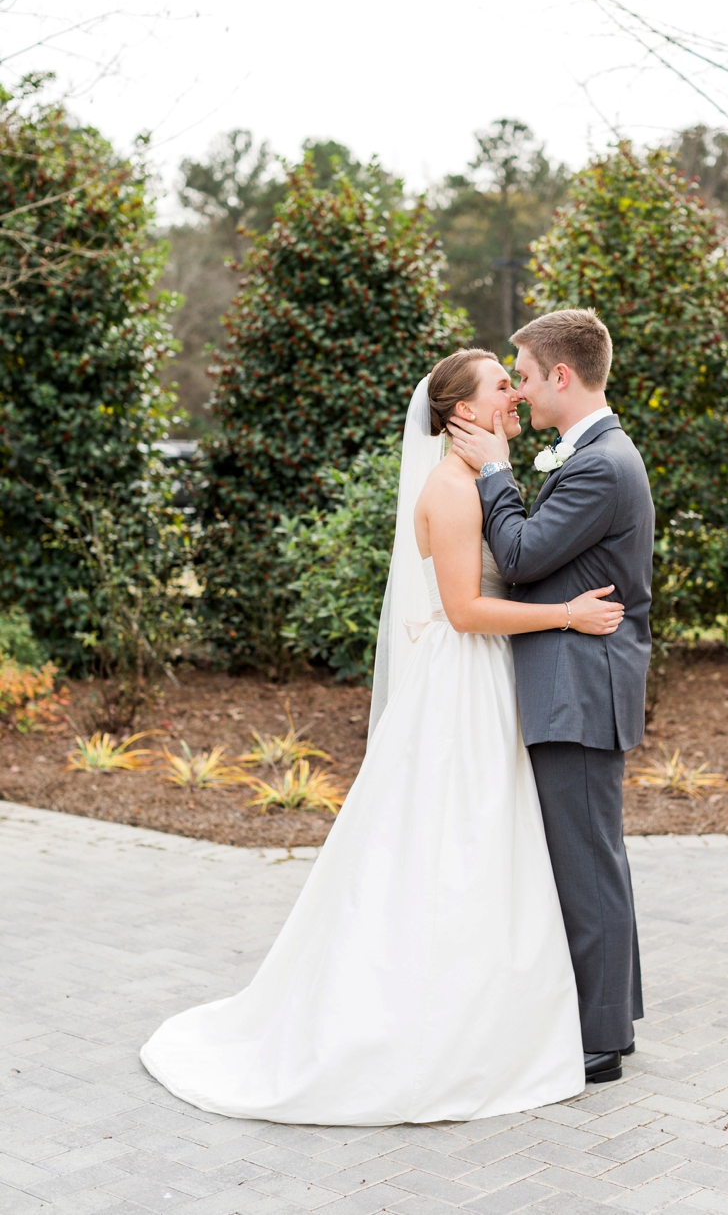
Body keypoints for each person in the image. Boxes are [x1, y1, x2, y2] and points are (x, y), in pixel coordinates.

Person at [140, 348, 625, 1124]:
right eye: (501, 384)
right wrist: (568, 615)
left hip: (478, 679)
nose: (513, 392)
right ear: (460, 412)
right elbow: (466, 610)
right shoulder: (453, 488)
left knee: (479, 844)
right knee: (458, 841)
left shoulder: (474, 480)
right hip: (466, 682)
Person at [448, 309, 654, 1086]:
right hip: (579, 681)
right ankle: (613, 1022)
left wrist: (498, 472)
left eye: (526, 377)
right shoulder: (597, 453)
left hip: (578, 684)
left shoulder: (601, 463)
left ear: (561, 375)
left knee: (585, 862)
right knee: (595, 857)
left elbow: (526, 554)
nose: (522, 392)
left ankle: (598, 1043)